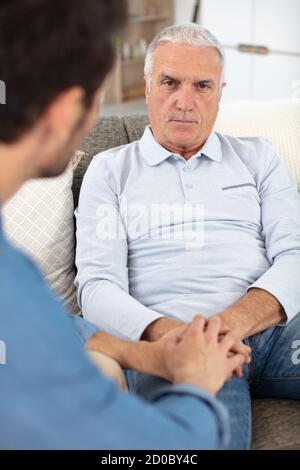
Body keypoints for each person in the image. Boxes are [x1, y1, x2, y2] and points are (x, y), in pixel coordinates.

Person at [0, 1, 248, 450]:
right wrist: (194, 384)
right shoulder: (14, 286)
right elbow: (157, 450)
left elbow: (52, 332)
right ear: (66, 110)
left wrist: (145, 354)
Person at [75, 23, 300, 449]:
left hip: (271, 330)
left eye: (202, 86)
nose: (185, 101)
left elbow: (294, 255)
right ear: (147, 87)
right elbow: (97, 286)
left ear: (220, 92)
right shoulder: (110, 170)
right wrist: (180, 340)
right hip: (172, 341)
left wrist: (224, 328)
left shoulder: (259, 157)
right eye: (170, 82)